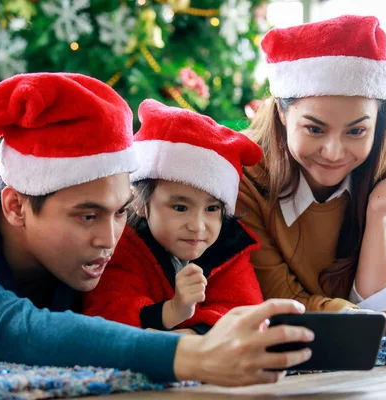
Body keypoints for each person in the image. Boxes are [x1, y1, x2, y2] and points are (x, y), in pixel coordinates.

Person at [0, 72, 314, 386]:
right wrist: (194, 357)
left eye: (119, 212)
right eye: (87, 216)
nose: (109, 238)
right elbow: (16, 330)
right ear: (16, 206)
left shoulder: (106, 231)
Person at [236, 15, 386, 348]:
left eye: (356, 131)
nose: (334, 152)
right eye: (314, 129)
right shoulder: (245, 175)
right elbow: (277, 302)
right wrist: (375, 323)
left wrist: (378, 215)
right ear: (281, 112)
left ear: (377, 122)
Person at [83, 99, 264, 334]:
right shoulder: (122, 244)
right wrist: (172, 311)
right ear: (139, 201)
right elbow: (105, 312)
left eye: (212, 209)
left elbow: (245, 310)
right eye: (180, 208)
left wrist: (194, 333)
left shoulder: (229, 247)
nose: (198, 226)